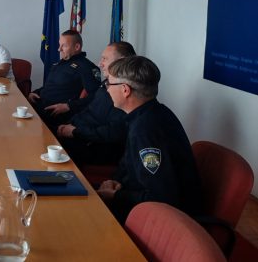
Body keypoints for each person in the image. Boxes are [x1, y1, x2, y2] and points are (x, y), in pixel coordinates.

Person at [96, 56, 202, 224]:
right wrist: (115, 181)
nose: (107, 89)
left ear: (125, 90)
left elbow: (161, 198)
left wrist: (117, 195)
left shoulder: (145, 130)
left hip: (163, 221)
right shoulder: (152, 113)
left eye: (109, 83)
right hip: (139, 200)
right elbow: (130, 166)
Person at [56, 42, 136, 167]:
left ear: (121, 61)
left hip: (94, 147)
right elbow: (90, 108)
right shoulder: (107, 83)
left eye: (105, 59)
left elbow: (112, 133)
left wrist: (75, 131)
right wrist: (70, 123)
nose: (100, 64)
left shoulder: (124, 94)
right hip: (80, 132)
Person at [28, 30, 101, 128]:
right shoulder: (60, 63)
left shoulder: (86, 67)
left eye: (64, 46)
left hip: (55, 115)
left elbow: (96, 97)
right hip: (39, 106)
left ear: (77, 47)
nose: (59, 49)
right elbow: (51, 86)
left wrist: (68, 106)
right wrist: (35, 92)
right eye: (59, 45)